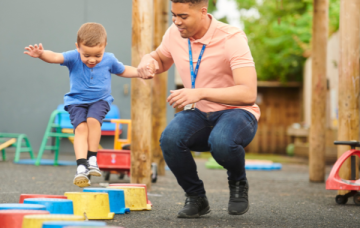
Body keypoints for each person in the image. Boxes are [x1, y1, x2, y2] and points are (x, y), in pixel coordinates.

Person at [137, 0, 260, 218]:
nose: (176, 21)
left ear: (203, 12)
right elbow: (160, 59)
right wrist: (148, 59)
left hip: (237, 112)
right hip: (200, 113)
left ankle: (238, 180)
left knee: (221, 142)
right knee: (170, 139)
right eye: (174, 15)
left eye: (183, 16)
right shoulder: (174, 34)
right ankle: (196, 197)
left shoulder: (231, 38)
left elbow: (248, 93)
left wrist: (200, 92)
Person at [24, 22, 153, 188]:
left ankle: (92, 157)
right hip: (76, 101)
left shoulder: (109, 59)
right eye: (87, 55)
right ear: (78, 47)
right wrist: (41, 54)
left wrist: (140, 73)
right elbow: (55, 57)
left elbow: (123, 70)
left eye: (97, 55)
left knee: (93, 120)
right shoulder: (73, 57)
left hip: (100, 100)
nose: (92, 60)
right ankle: (81, 165)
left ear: (105, 46)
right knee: (80, 129)